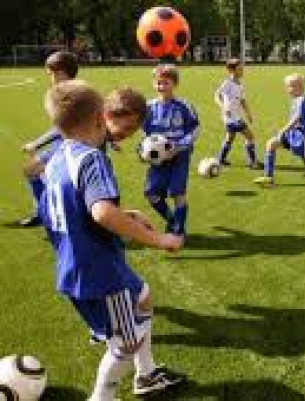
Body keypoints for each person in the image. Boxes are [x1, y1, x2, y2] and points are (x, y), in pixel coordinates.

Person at [40, 80, 185, 401]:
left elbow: (67, 209)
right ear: (99, 119)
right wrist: (158, 239)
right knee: (126, 343)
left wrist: (127, 213)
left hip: (75, 264)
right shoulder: (92, 158)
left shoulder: (56, 159)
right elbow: (103, 214)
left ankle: (146, 375)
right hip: (100, 270)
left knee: (144, 297)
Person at [19, 51, 79, 227]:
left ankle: (49, 213)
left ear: (64, 72)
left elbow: (62, 127)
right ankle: (44, 212)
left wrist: (36, 144)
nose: (51, 78)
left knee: (38, 172)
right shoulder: (64, 91)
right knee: (33, 171)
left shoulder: (72, 94)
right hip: (66, 142)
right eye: (49, 74)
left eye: (53, 73)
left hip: (75, 145)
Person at [142, 64, 199, 236]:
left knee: (177, 193)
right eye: (158, 83)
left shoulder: (184, 106)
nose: (161, 87)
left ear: (174, 84)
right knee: (151, 193)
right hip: (158, 158)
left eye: (165, 83)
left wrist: (180, 146)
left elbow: (195, 129)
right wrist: (143, 150)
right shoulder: (149, 107)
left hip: (179, 155)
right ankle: (172, 220)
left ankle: (179, 231)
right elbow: (145, 134)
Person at [253, 73, 305, 186]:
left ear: (299, 86)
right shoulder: (296, 99)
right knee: (271, 144)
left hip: (302, 136)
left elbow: (296, 118)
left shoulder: (303, 100)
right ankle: (268, 176)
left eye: (290, 86)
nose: (288, 89)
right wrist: (286, 131)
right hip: (292, 133)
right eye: (287, 86)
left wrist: (283, 130)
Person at [214, 58, 262, 168]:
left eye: (242, 69)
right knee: (250, 136)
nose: (242, 71)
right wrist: (223, 107)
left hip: (235, 116)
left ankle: (220, 159)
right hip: (231, 118)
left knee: (229, 138)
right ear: (231, 70)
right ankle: (253, 162)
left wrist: (248, 113)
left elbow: (242, 100)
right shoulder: (227, 83)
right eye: (239, 69)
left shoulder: (240, 83)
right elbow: (217, 96)